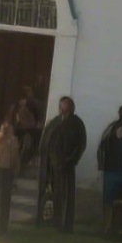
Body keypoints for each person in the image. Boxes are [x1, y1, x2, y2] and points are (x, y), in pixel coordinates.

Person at [37, 96, 86, 233]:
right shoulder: (55, 122)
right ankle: (49, 220)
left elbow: (80, 145)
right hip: (50, 165)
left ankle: (64, 224)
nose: (62, 109)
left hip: (65, 166)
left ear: (71, 108)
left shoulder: (76, 124)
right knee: (52, 195)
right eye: (61, 107)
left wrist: (70, 160)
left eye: (65, 107)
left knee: (65, 195)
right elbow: (46, 139)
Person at [97, 104, 122, 214]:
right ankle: (110, 224)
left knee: (119, 199)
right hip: (115, 169)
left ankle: (115, 224)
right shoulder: (114, 128)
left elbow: (102, 147)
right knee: (113, 199)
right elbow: (102, 147)